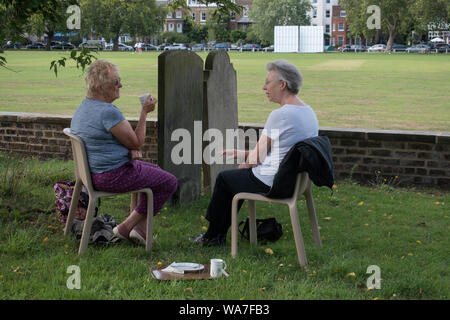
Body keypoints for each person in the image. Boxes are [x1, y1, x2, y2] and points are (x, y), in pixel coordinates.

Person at [192, 59, 319, 246]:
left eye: (268, 82)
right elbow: (281, 151)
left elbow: (257, 158)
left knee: (225, 179)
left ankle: (212, 236)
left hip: (275, 183)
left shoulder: (279, 115)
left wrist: (245, 165)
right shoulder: (308, 112)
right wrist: (243, 154)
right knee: (234, 179)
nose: (263, 87)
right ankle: (216, 235)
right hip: (296, 182)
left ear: (282, 85)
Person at [70, 59, 178, 246]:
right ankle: (126, 228)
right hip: (112, 176)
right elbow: (136, 142)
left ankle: (139, 230)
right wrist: (145, 112)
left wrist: (128, 151)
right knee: (169, 181)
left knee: (155, 172)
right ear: (102, 87)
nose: (120, 85)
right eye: (115, 82)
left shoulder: (84, 107)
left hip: (92, 174)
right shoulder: (108, 112)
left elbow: (105, 141)